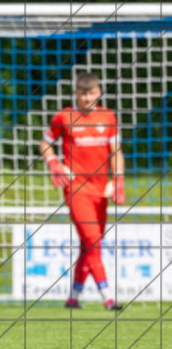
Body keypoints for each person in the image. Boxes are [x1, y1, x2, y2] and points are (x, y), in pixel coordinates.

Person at [39, 72, 126, 311]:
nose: (87, 98)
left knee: (90, 245)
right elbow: (45, 143)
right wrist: (53, 162)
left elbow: (116, 150)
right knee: (92, 239)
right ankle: (108, 297)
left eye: (92, 93)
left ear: (98, 92)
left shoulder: (108, 117)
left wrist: (118, 179)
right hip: (76, 188)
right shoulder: (64, 116)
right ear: (76, 93)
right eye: (83, 93)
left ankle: (73, 297)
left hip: (101, 190)